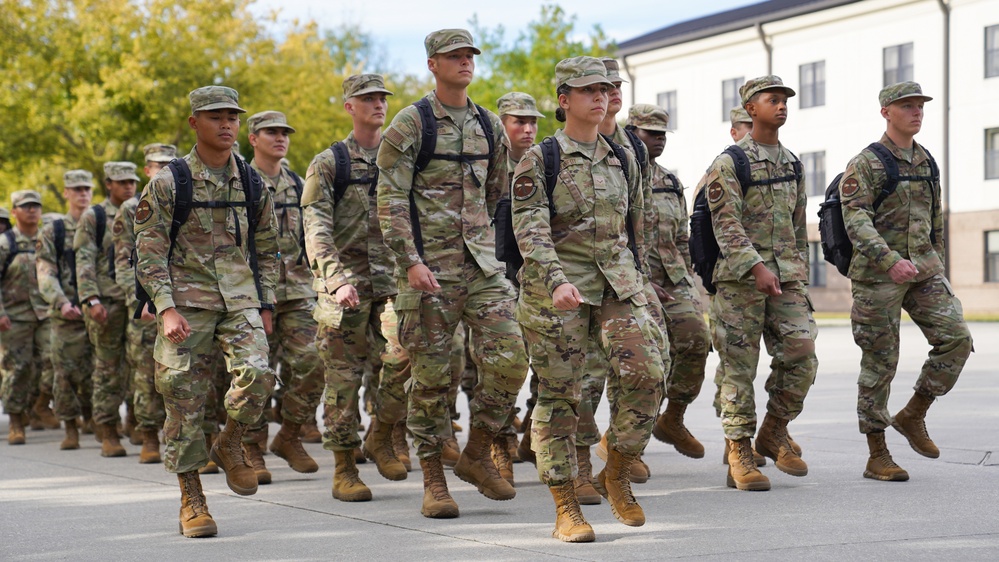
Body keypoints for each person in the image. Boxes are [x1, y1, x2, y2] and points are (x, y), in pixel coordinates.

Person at [512, 56, 666, 542]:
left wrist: (641, 283)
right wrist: (556, 279)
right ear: (564, 100)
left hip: (618, 285)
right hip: (559, 291)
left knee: (648, 374)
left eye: (604, 89)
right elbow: (530, 228)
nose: (600, 97)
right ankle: (565, 506)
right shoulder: (540, 159)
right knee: (560, 396)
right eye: (587, 91)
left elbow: (634, 226)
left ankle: (615, 472)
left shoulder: (625, 156)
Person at [376, 29, 529, 519]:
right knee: (432, 379)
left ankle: (478, 452)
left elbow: (495, 194)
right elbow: (390, 199)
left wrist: (482, 246)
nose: (465, 63)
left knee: (511, 358)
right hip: (428, 272)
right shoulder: (410, 123)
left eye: (469, 56)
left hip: (482, 267)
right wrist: (411, 261)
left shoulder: (488, 125)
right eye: (454, 57)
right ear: (432, 64)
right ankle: (435, 482)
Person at [134, 85, 279, 537]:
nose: (227, 124)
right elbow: (149, 251)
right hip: (185, 303)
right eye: (216, 117)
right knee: (182, 400)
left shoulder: (254, 182)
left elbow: (270, 248)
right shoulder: (168, 183)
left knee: (258, 374)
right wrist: (165, 307)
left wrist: (267, 301)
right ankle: (192, 499)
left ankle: (230, 440)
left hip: (238, 300)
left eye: (233, 117)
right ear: (195, 122)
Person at [839, 81, 973, 481]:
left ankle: (914, 412)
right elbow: (855, 219)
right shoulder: (867, 162)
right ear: (886, 112)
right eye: (907, 106)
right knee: (880, 362)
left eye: (919, 106)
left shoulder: (927, 161)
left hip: (924, 271)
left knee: (957, 339)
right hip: (878, 275)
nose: (916, 112)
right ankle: (877, 452)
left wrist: (939, 265)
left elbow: (935, 221)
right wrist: (888, 258)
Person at [701, 75, 816, 492]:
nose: (782, 105)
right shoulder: (731, 162)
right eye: (773, 99)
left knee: (802, 354)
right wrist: (755, 267)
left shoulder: (793, 162)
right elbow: (725, 224)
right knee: (738, 369)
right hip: (739, 283)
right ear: (751, 108)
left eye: (785, 99)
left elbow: (798, 224)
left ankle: (774, 428)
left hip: (786, 279)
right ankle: (739, 451)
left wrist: (797, 272)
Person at [302, 74, 412, 501]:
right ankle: (344, 467)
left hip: (391, 280)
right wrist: (334, 277)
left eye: (382, 97)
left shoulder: (400, 160)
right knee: (343, 378)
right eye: (367, 98)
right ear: (349, 106)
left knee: (405, 355)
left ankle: (381, 432)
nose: (378, 104)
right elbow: (315, 226)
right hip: (343, 285)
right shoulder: (330, 162)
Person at [625, 104, 711, 460]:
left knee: (696, 339)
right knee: (644, 362)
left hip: (673, 280)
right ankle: (626, 450)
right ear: (632, 132)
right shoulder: (620, 174)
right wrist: (640, 278)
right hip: (631, 282)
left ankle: (673, 417)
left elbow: (681, 237)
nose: (658, 140)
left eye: (662, 134)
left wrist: (688, 279)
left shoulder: (670, 182)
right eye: (650, 133)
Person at [245, 110, 323, 483]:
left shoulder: (296, 182)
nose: (280, 138)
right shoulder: (240, 182)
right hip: (250, 294)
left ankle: (289, 435)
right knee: (257, 373)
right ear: (253, 139)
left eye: (284, 132)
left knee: (314, 361)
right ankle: (251, 448)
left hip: (297, 290)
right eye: (271, 132)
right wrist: (260, 299)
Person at [112, 144, 176, 463]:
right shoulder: (130, 208)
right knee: (146, 371)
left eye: (170, 164)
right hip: (147, 305)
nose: (164, 170)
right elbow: (124, 260)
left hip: (182, 300)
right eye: (157, 165)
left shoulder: (185, 199)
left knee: (184, 372)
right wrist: (141, 303)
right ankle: (149, 435)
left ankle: (188, 435)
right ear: (146, 170)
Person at [75, 161, 139, 457]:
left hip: (137, 301)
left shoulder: (143, 209)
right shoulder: (95, 216)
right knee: (109, 368)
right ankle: (108, 430)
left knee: (141, 365)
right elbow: (84, 259)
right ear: (108, 184)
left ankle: (138, 422)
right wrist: (91, 299)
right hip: (108, 302)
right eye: (121, 181)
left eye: (132, 181)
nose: (128, 186)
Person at [37, 171, 96, 450]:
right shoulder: (54, 230)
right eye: (76, 189)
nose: (82, 193)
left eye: (86, 188)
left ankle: (98, 419)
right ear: (66, 192)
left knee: (104, 370)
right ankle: (70, 427)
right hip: (67, 312)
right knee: (65, 373)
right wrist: (61, 301)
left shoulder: (103, 224)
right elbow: (45, 271)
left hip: (101, 310)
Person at [0, 190, 50, 445]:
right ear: (15, 211)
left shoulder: (48, 239)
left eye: (36, 206)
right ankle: (17, 422)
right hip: (14, 316)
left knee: (55, 361)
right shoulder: (5, 243)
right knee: (16, 369)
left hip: (46, 313)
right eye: (26, 206)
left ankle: (40, 405)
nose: (32, 210)